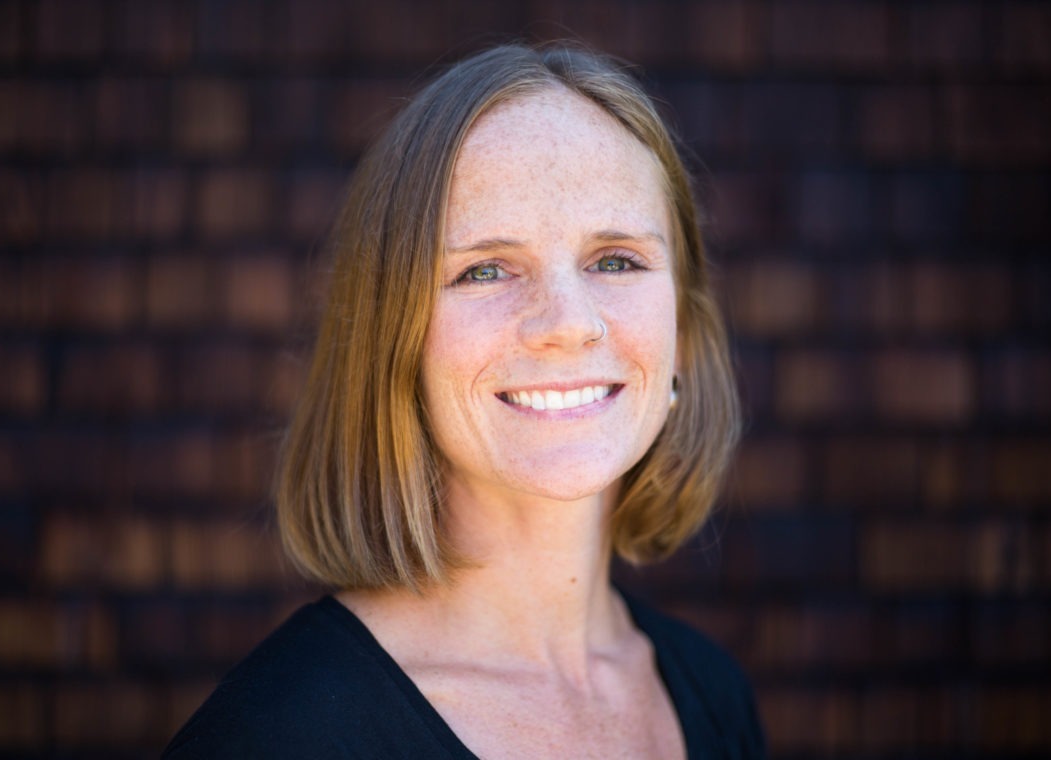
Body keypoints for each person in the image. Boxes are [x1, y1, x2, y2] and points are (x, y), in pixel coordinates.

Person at [165, 42, 764, 759]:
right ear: (394, 342)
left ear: (683, 332)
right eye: (485, 270)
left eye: (616, 260)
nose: (570, 322)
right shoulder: (278, 737)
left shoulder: (713, 696)